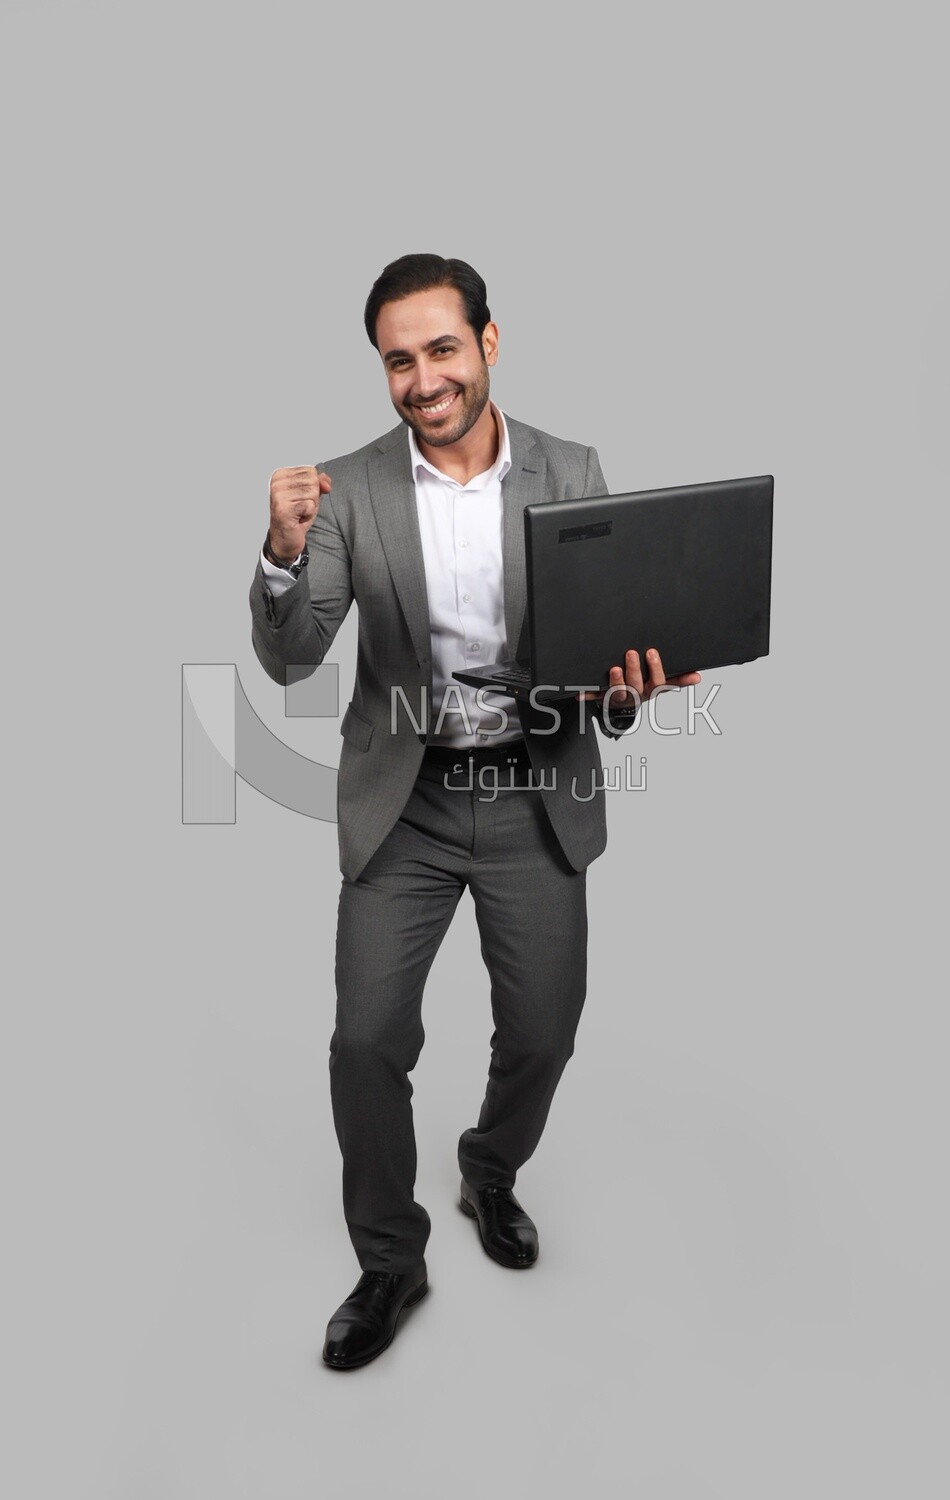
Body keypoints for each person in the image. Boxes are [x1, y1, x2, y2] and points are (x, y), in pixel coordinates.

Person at [248, 254, 699, 1370]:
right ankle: (390, 1260)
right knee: (364, 1042)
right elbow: (292, 661)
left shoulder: (571, 467)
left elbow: (603, 656)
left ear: (488, 344)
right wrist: (281, 556)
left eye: (441, 349)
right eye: (397, 360)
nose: (422, 378)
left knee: (544, 1035)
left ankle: (487, 1170)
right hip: (405, 802)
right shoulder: (347, 487)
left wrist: (626, 690)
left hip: (532, 788)